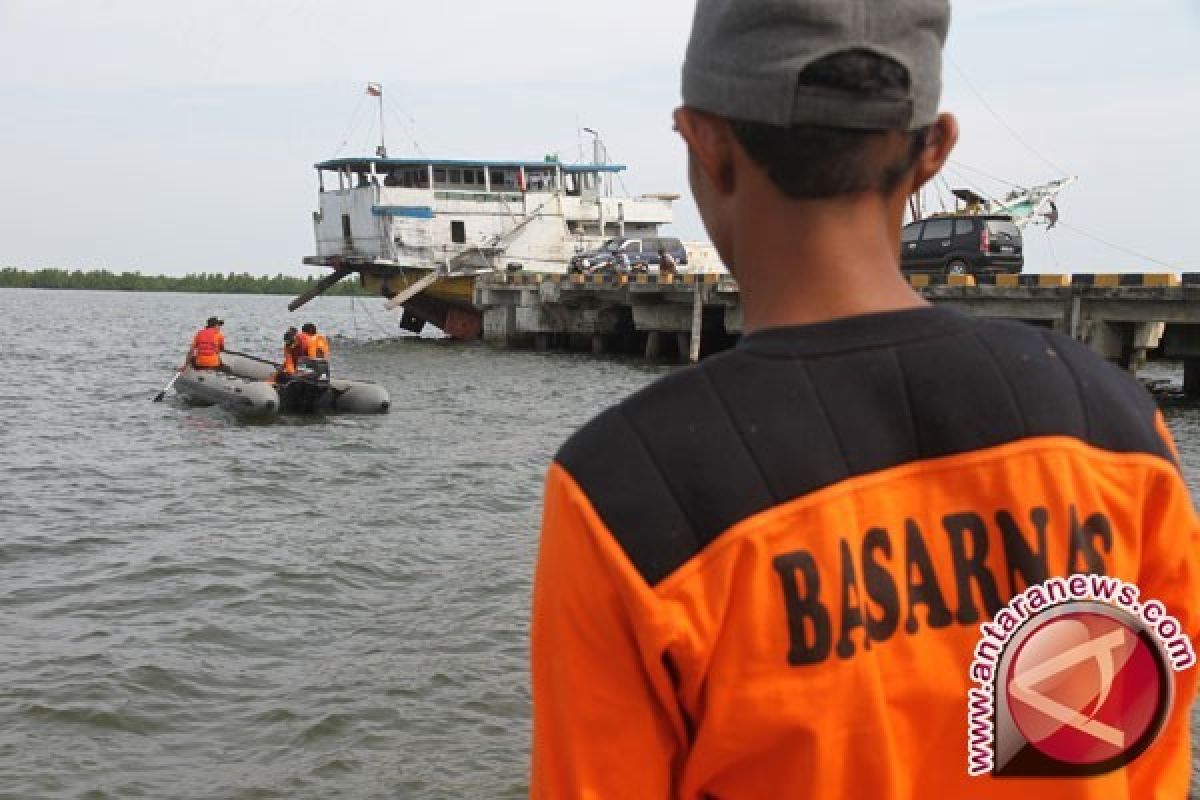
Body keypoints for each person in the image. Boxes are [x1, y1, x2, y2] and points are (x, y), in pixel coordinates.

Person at [530, 2, 1200, 798]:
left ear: (704, 142)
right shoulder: (1117, 435)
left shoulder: (621, 496)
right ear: (936, 150)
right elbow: (1139, 758)